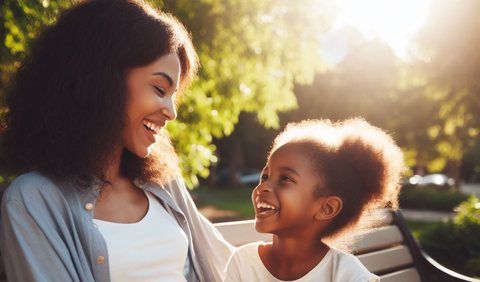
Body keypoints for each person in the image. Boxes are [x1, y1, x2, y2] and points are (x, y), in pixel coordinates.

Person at [0, 0, 234, 281]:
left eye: (174, 95)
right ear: (102, 81)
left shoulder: (164, 183)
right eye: (160, 88)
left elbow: (227, 264)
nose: (171, 112)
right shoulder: (33, 199)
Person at [225, 118, 406, 282]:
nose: (262, 187)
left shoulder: (347, 275)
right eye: (265, 176)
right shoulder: (242, 262)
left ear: (325, 208)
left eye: (285, 179)